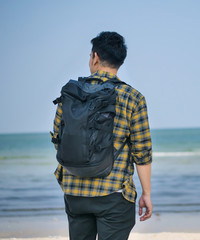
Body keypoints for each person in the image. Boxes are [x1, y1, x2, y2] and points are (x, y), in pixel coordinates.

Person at [52, 31, 153, 240]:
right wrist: (146, 194)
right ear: (120, 61)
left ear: (95, 57)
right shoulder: (133, 98)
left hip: (75, 192)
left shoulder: (71, 93)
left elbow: (58, 139)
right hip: (113, 193)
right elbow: (142, 152)